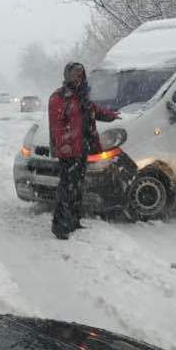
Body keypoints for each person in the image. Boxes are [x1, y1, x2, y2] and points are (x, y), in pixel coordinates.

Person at [48, 62, 120, 239]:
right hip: (69, 150)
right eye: (75, 74)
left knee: (77, 186)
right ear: (67, 76)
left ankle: (73, 220)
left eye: (81, 74)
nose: (78, 77)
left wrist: (111, 115)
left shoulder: (82, 96)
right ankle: (60, 226)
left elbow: (94, 111)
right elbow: (57, 125)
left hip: (82, 148)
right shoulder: (59, 97)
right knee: (67, 187)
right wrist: (63, 143)